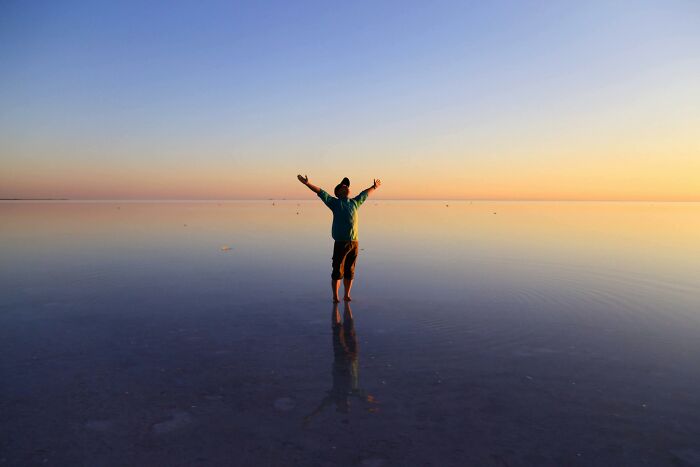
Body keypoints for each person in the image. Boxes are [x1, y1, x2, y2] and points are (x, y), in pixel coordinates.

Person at [297, 174, 381, 302]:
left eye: (347, 185)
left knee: (350, 270)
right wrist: (307, 184)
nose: (346, 187)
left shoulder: (355, 202)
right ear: (337, 192)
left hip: (354, 243)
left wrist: (374, 187)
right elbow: (321, 193)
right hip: (340, 243)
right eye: (343, 186)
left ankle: (347, 294)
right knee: (337, 270)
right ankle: (335, 296)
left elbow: (364, 194)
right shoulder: (334, 203)